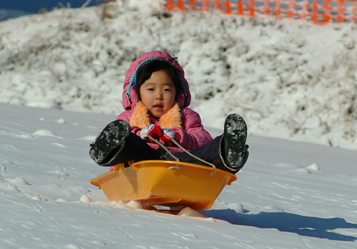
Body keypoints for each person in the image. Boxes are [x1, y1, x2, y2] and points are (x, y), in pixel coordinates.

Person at [89, 51, 249, 173]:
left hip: (181, 166)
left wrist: (180, 137)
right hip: (142, 164)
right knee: (130, 143)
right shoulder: (128, 117)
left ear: (177, 93)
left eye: (166, 89)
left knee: (205, 153)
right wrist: (140, 134)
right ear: (137, 92)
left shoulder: (186, 116)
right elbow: (133, 139)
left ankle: (228, 150)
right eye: (151, 89)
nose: (159, 96)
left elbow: (203, 139)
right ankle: (109, 149)